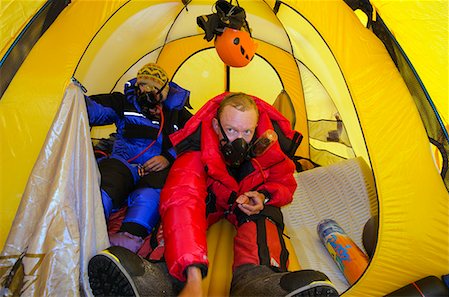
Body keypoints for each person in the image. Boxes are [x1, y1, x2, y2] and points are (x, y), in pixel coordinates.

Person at [88, 92, 338, 297]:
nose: (239, 140)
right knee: (174, 222)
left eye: (247, 132)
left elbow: (284, 181)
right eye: (231, 130)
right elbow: (183, 200)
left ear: (257, 127)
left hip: (247, 202)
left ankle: (258, 281)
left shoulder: (267, 147)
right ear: (217, 126)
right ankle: (159, 275)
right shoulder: (196, 150)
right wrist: (192, 275)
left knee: (266, 219)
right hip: (213, 199)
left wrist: (264, 197)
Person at [85, 63, 192, 254]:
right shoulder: (125, 102)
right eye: (143, 85)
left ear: (164, 90)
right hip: (125, 162)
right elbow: (96, 110)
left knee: (151, 194)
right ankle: (87, 226)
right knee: (109, 179)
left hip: (156, 169)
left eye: (153, 87)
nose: (147, 91)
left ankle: (128, 240)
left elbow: (195, 137)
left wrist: (168, 157)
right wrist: (75, 98)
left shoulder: (177, 113)